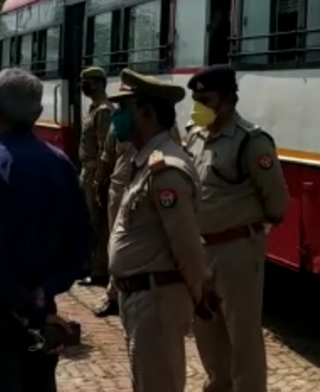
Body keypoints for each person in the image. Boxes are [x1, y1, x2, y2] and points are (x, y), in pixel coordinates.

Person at [0, 69, 91, 392]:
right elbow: (81, 242)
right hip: (43, 307)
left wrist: (22, 307)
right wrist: (43, 294)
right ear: (38, 113)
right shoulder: (60, 163)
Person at [106, 68, 214, 392]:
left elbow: (186, 244)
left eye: (123, 108)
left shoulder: (165, 169)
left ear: (148, 112)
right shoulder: (146, 161)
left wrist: (199, 297)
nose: (117, 117)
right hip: (141, 298)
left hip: (156, 300)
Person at [186, 65, 289, 392]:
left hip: (236, 251)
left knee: (242, 333)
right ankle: (218, 385)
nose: (199, 107)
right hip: (201, 249)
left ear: (229, 101)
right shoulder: (195, 134)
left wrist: (253, 230)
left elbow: (276, 200)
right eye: (196, 99)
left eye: (206, 99)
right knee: (205, 327)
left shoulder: (252, 141)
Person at [94, 123, 183, 318]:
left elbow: (176, 154)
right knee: (116, 241)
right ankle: (114, 295)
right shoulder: (117, 124)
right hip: (120, 188)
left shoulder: (164, 126)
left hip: (147, 191)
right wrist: (99, 181)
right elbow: (106, 156)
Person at [78, 66, 113, 287]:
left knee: (97, 222)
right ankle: (90, 264)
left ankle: (99, 269)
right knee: (89, 221)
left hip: (94, 173)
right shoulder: (93, 109)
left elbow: (104, 148)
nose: (84, 86)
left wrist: (100, 178)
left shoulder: (104, 111)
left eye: (88, 82)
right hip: (86, 170)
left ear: (99, 84)